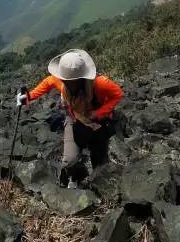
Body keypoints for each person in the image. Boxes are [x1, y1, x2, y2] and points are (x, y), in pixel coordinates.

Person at [17, 48, 123, 187]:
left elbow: (118, 94)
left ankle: (99, 184)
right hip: (73, 119)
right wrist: (24, 98)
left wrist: (98, 113)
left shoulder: (100, 83)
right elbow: (41, 89)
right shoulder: (58, 80)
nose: (64, 81)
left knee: (100, 162)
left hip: (98, 122)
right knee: (70, 161)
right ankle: (80, 178)